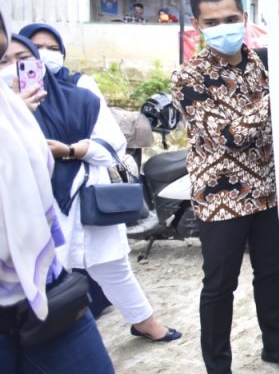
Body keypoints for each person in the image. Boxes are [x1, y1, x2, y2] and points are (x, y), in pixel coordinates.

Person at [172, 0, 279, 374]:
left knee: (270, 274)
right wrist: (278, 94)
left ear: (244, 18)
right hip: (220, 197)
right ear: (198, 25)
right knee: (219, 286)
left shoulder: (264, 64)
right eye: (212, 22)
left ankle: (275, 344)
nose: (224, 28)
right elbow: (230, 136)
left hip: (268, 190)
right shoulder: (188, 78)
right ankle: (217, 370)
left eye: (231, 19)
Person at [1, 33, 180, 345]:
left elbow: (112, 145)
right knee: (47, 276)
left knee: (112, 265)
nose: (17, 66)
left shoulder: (80, 97)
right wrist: (14, 116)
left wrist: (70, 150)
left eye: (26, 58)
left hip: (87, 195)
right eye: (5, 60)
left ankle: (144, 322)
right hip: (34, 208)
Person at [0, 9, 120, 374]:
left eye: (17, 58)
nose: (13, 71)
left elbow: (108, 146)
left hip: (42, 285)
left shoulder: (24, 112)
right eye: (4, 62)